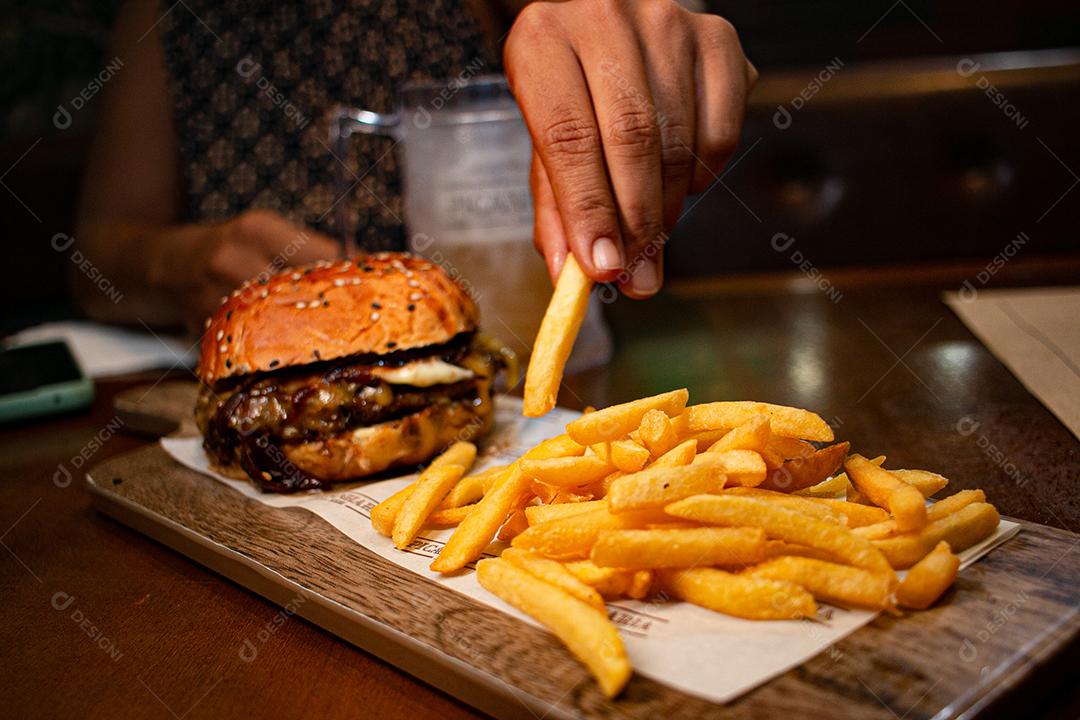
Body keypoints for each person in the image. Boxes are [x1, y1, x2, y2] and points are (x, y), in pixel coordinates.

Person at [74, 0, 755, 334]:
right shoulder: (165, 14)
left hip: (536, 352)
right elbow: (95, 256)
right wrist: (186, 261)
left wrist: (646, 38)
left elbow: (609, 19)